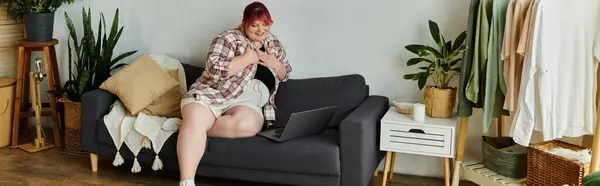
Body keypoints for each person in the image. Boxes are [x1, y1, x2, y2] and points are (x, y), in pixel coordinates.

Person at [176, 2, 292, 185]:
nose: (261, 30)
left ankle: (189, 128)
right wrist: (247, 58)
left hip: (247, 102)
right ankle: (187, 181)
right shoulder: (228, 38)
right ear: (244, 23)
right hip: (214, 93)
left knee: (250, 125)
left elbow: (285, 74)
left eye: (265, 25)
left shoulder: (274, 43)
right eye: (255, 25)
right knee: (197, 118)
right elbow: (215, 69)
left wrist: (275, 64)